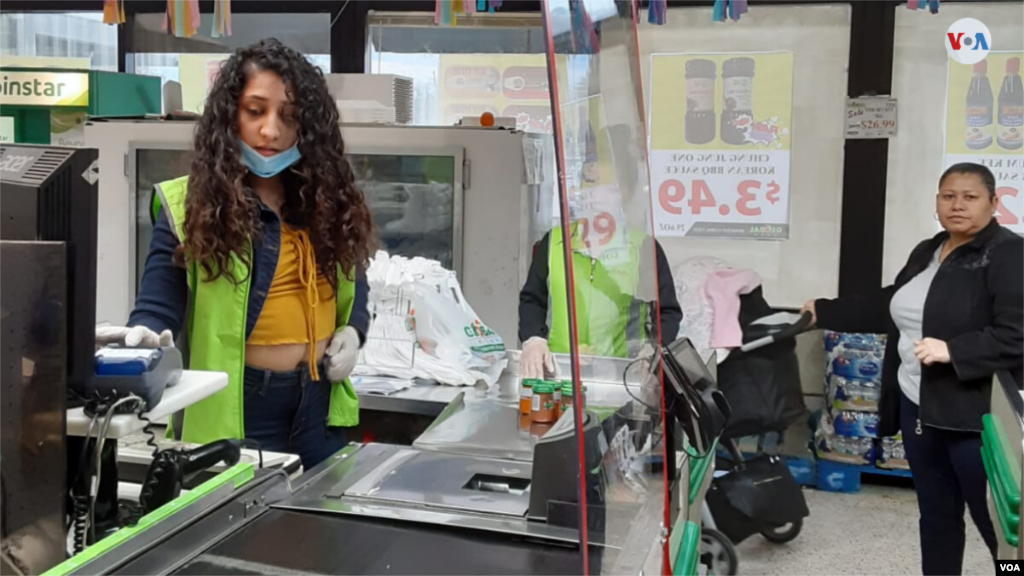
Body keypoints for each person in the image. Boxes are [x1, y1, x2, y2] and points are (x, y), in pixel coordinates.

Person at [95, 39, 375, 469]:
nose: (271, 130)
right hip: (242, 407)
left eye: (289, 115)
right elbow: (157, 306)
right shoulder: (188, 206)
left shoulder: (328, 200)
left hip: (318, 403)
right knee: (248, 532)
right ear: (230, 115)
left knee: (321, 531)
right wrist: (146, 341)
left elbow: (354, 287)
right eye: (255, 110)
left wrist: (354, 333)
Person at [802, 162, 1024, 576]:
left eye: (970, 197)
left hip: (977, 415)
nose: (957, 205)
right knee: (937, 516)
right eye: (948, 196)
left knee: (1001, 530)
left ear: (994, 203)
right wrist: (825, 310)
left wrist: (954, 351)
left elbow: (1017, 334)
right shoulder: (929, 249)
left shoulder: (1009, 254)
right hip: (919, 405)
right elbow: (893, 302)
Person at [518, 222, 683, 379]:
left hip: (625, 379)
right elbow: (532, 299)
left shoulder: (642, 246)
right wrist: (533, 339)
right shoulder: (554, 241)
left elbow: (667, 311)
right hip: (559, 375)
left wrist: (654, 350)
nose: (595, 201)